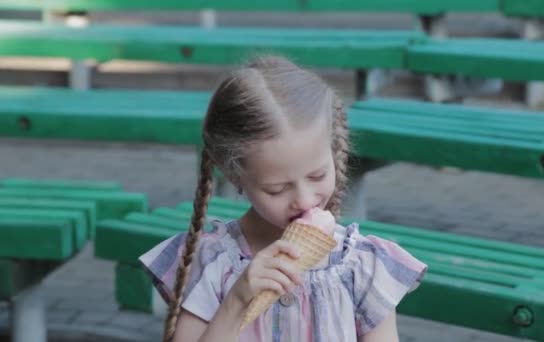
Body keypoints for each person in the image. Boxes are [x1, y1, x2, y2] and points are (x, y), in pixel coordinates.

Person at [139, 55, 427, 342]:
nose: (304, 200)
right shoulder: (211, 261)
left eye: (317, 176)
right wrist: (237, 299)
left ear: (333, 150)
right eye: (276, 189)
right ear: (234, 173)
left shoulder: (361, 267)